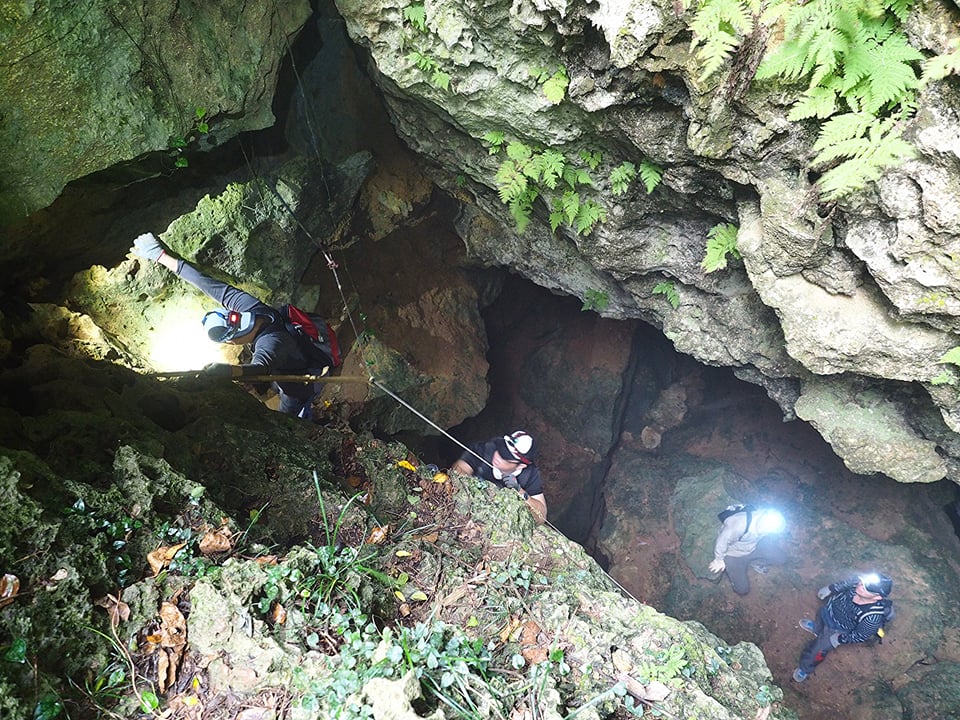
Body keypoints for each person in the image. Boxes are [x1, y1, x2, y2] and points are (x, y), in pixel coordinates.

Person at [130, 232, 328, 419]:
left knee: (288, 412)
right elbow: (206, 284)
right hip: (290, 352)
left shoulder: (270, 344)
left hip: (298, 378)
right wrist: (159, 255)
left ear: (232, 341)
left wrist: (228, 371)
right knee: (276, 381)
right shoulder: (249, 306)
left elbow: (259, 368)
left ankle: (307, 417)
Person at [792, 572, 894, 682]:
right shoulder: (858, 583)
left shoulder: (871, 618)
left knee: (817, 651)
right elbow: (846, 583)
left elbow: (860, 635)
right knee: (820, 617)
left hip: (836, 630)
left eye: (865, 588)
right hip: (829, 611)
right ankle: (817, 628)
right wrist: (831, 589)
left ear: (877, 597)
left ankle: (805, 668)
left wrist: (839, 639)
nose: (860, 585)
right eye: (862, 582)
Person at [451, 431, 547, 524]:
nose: (497, 456)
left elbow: (541, 517)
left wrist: (519, 490)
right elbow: (458, 470)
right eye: (500, 450)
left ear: (521, 466)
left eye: (505, 457)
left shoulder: (529, 475)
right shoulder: (484, 449)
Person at [708, 506, 787, 595]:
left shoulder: (768, 520)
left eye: (769, 530)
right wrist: (718, 559)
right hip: (734, 555)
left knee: (781, 559)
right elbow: (722, 541)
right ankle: (734, 571)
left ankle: (755, 563)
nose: (765, 530)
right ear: (764, 517)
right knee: (742, 590)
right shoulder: (738, 524)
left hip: (752, 546)